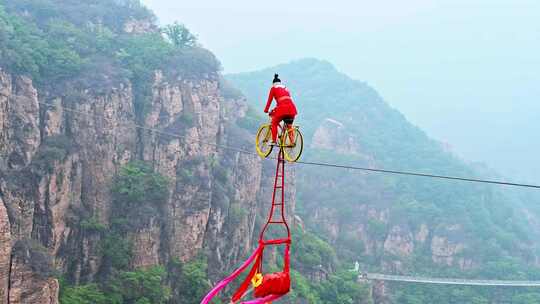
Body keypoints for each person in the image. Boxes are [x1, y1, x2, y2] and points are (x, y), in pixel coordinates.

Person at [264, 74, 298, 145]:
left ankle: (274, 141)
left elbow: (269, 101)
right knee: (289, 126)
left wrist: (266, 110)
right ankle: (292, 142)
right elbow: (288, 100)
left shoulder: (273, 88)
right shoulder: (285, 88)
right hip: (292, 109)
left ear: (273, 84)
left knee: (274, 123)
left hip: (282, 109)